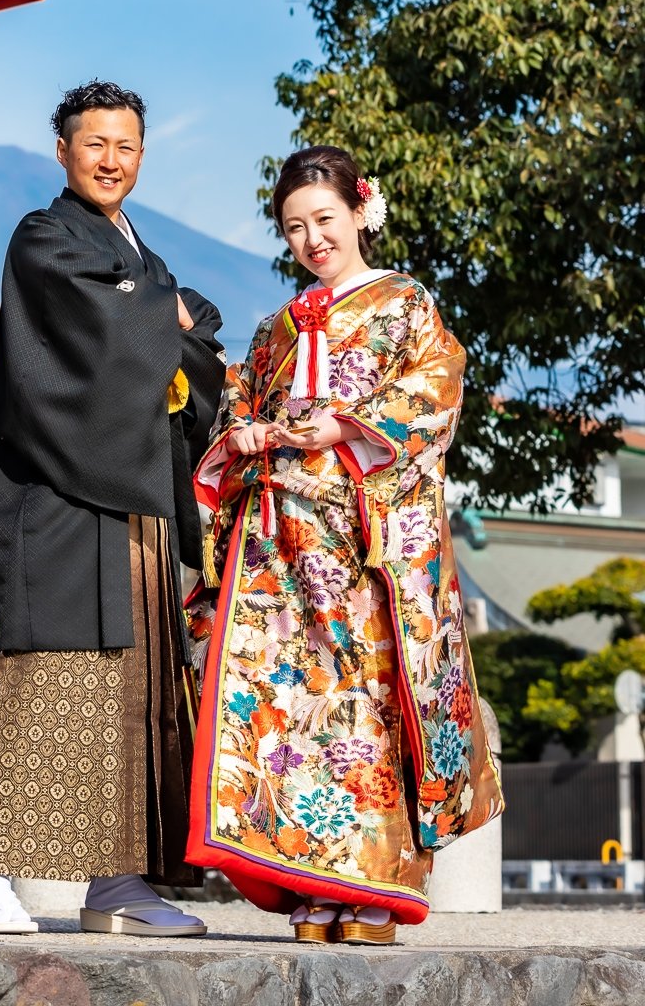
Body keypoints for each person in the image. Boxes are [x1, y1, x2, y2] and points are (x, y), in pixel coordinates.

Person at [184, 145, 504, 945]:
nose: (312, 238)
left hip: (364, 547)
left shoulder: (405, 306)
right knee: (293, 705)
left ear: (361, 211)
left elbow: (437, 390)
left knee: (369, 694)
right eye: (295, 227)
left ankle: (378, 885)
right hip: (282, 545)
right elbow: (235, 411)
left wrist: (341, 426)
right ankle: (313, 882)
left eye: (324, 219)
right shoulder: (274, 330)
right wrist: (249, 430)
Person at [0, 81, 226, 937]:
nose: (111, 159)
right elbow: (129, 331)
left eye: (127, 146)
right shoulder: (45, 237)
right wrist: (162, 321)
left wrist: (161, 320)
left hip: (136, 501)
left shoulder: (133, 250)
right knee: (50, 680)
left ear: (142, 157)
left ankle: (117, 882)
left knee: (136, 693)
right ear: (63, 151)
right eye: (94, 143)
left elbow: (194, 328)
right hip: (60, 494)